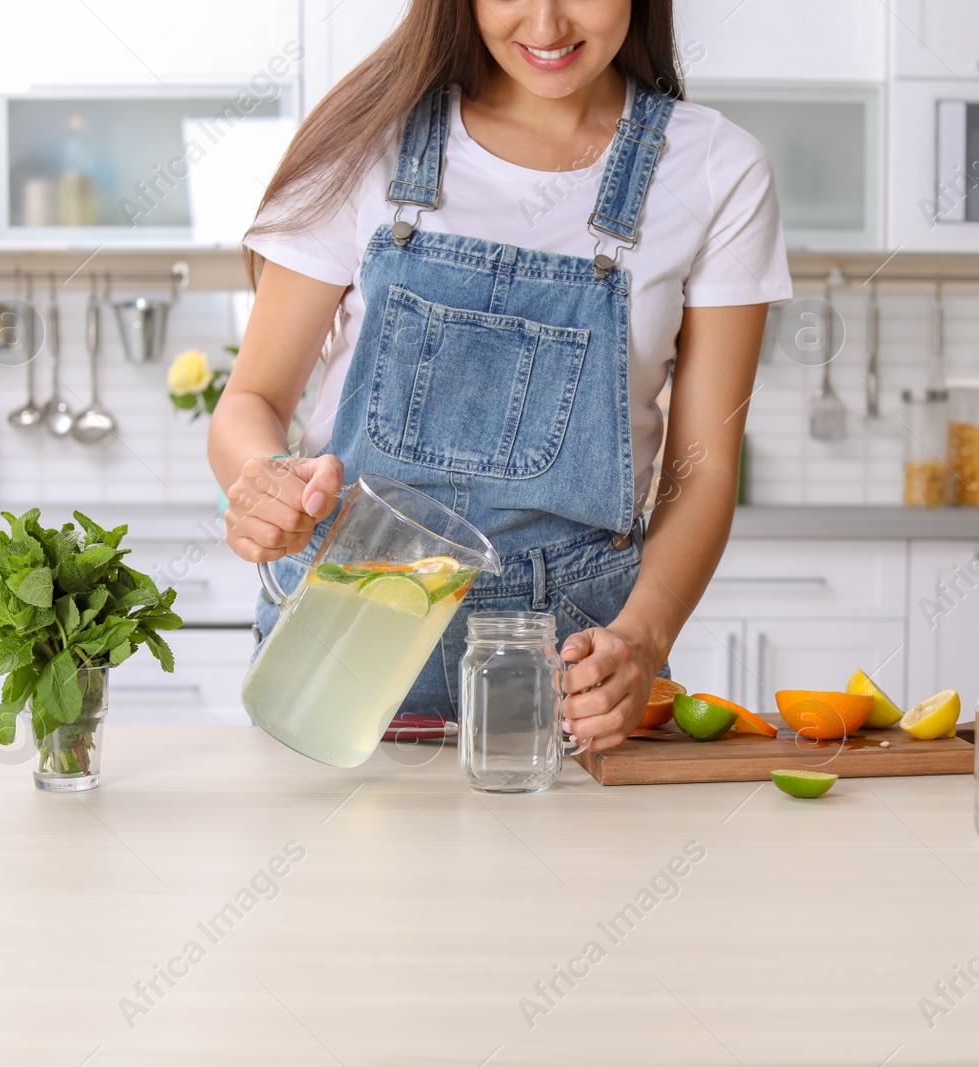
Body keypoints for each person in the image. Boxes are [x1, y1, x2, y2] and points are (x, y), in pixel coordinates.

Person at [210, 0, 791, 751]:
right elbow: (250, 401)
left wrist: (642, 643)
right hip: (337, 648)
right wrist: (264, 478)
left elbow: (702, 471)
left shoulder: (716, 169)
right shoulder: (366, 138)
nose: (546, 26)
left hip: (568, 679)